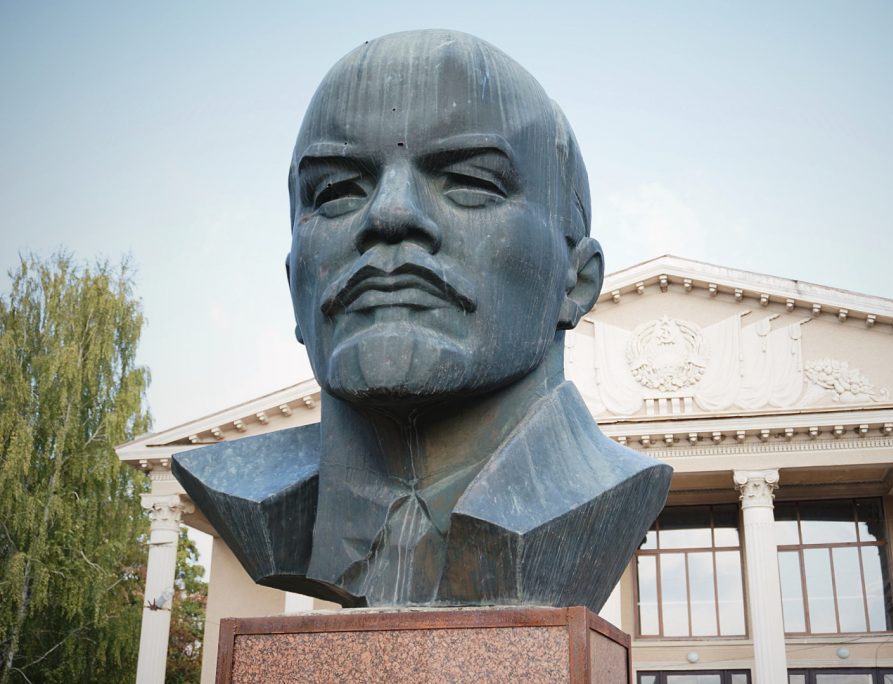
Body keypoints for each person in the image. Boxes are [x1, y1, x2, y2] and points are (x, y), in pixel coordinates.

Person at [174, 29, 671, 612]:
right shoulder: (250, 501)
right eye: (335, 191)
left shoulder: (601, 493)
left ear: (576, 281)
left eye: (470, 183)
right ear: (294, 287)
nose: (389, 215)